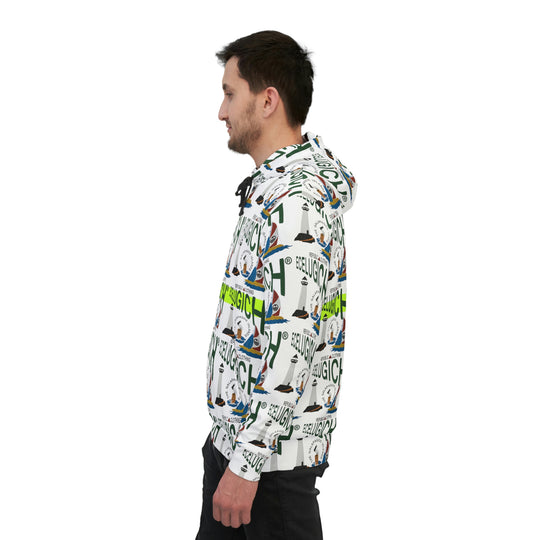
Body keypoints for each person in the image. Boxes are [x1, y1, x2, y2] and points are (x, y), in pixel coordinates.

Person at [196, 30, 357, 540]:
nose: (221, 112)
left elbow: (294, 342)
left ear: (268, 102)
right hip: (236, 447)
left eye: (230, 94)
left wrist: (246, 465)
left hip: (269, 469)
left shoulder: (297, 201)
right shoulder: (270, 187)